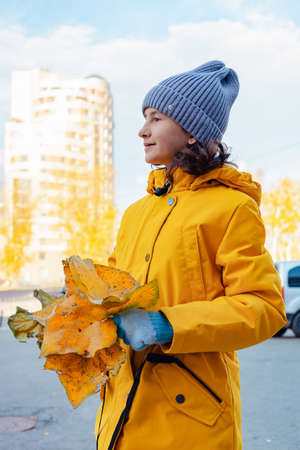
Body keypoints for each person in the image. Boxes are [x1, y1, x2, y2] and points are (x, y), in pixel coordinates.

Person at [95, 60, 286, 450]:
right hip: (122, 412)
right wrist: (81, 317)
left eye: (156, 117)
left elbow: (265, 308)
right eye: (144, 117)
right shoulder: (136, 213)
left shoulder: (231, 208)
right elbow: (112, 291)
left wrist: (167, 325)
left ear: (193, 134)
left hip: (192, 417)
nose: (142, 130)